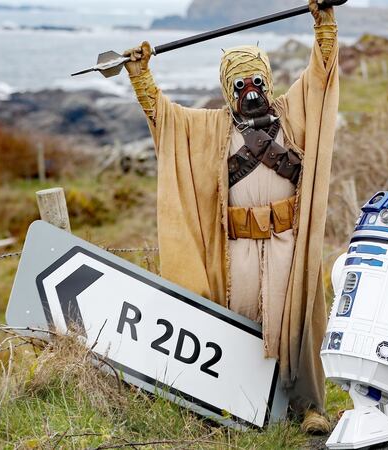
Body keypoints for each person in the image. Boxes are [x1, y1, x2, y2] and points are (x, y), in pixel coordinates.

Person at [123, 0, 338, 433]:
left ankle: (309, 407)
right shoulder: (211, 129)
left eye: (256, 80)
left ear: (268, 79)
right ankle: (242, 407)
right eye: (239, 84)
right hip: (236, 248)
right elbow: (166, 120)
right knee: (241, 325)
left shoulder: (291, 113)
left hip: (288, 243)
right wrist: (141, 76)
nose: (249, 90)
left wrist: (324, 23)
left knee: (295, 323)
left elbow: (321, 75)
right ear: (227, 88)